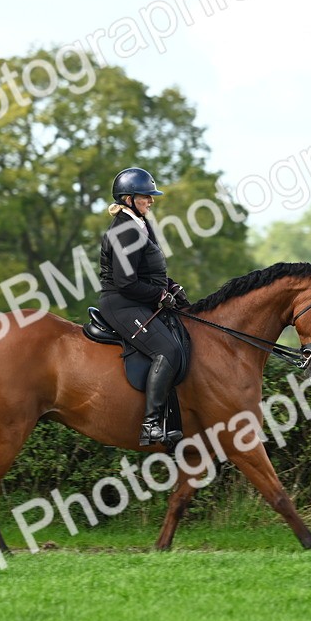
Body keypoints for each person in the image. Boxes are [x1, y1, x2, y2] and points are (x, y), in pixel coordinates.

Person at [98, 167, 191, 446]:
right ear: (128, 199)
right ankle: (150, 424)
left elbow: (148, 273)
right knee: (168, 348)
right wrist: (159, 296)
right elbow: (126, 282)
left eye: (151, 197)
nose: (151, 201)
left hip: (137, 299)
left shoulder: (140, 224)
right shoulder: (124, 230)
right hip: (122, 304)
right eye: (145, 197)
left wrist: (170, 286)